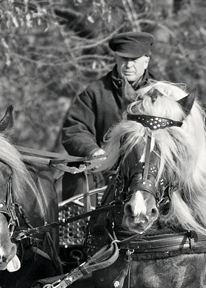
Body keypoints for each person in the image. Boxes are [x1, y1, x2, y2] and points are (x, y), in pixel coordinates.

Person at [60, 31, 163, 198]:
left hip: (148, 175)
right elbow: (74, 129)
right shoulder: (95, 92)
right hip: (102, 174)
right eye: (124, 59)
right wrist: (92, 151)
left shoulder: (161, 95)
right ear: (116, 59)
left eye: (134, 60)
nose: (128, 65)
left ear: (146, 61)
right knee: (79, 183)